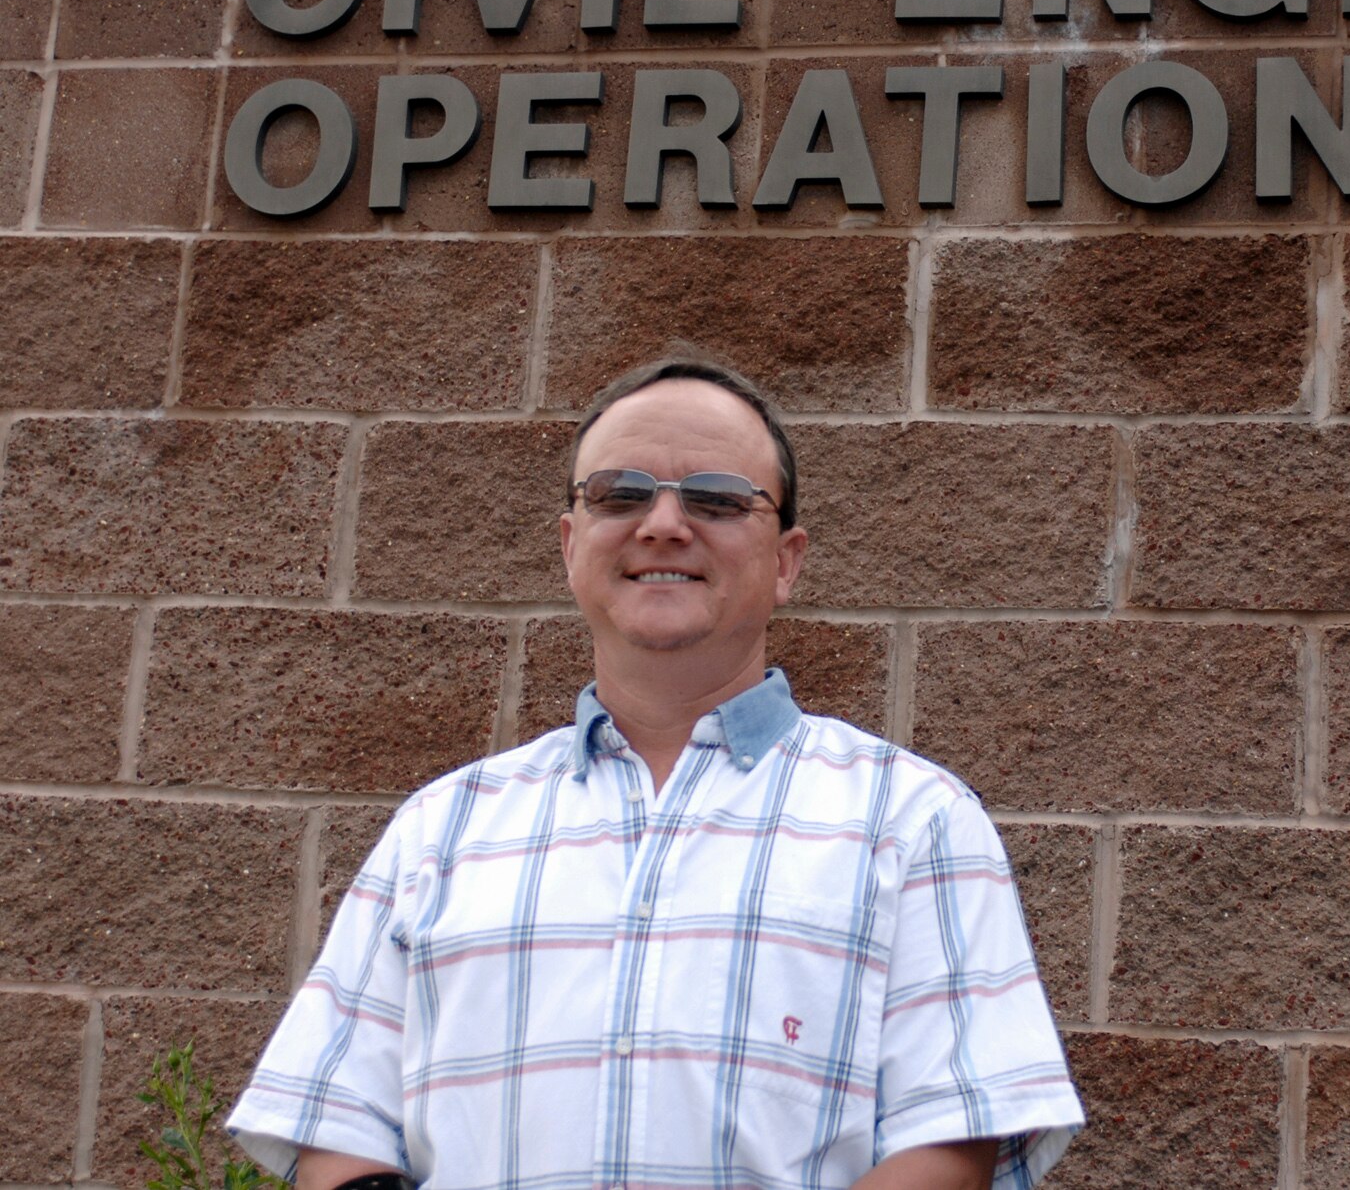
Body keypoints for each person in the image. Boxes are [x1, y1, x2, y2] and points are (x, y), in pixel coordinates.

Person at [228, 355, 1083, 1190]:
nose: (664, 523)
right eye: (620, 493)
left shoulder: (915, 820)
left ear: (787, 560)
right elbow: (337, 1130)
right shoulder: (438, 829)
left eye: (716, 498)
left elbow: (951, 1144)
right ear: (572, 544)